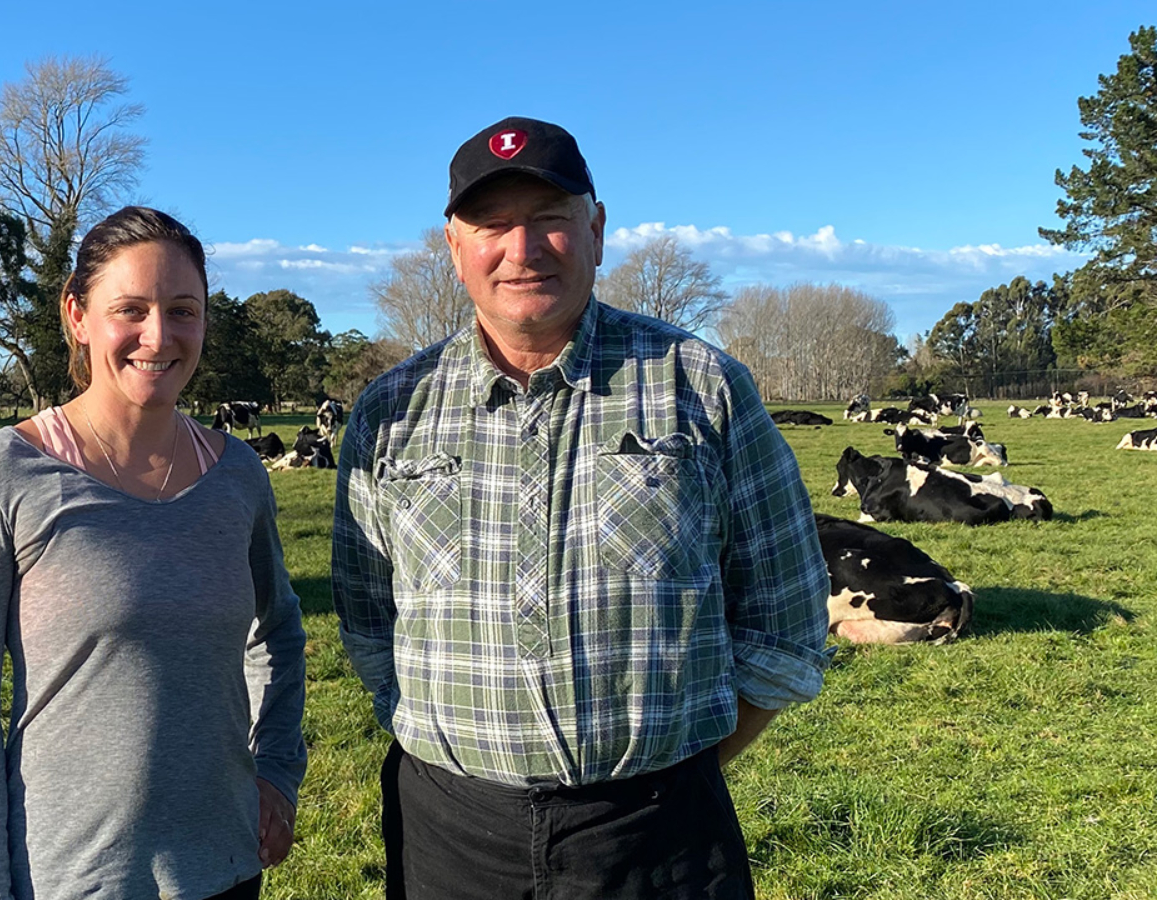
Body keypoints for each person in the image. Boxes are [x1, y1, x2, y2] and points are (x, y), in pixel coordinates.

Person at [332, 117, 830, 899]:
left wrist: (667, 762)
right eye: (492, 226)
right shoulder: (388, 412)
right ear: (454, 247)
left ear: (596, 230)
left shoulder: (701, 387)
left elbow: (786, 624)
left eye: (549, 221)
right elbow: (368, 625)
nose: (521, 251)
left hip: (659, 837)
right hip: (448, 833)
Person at [0, 207, 306, 900]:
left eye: (182, 311)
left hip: (225, 867)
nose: (158, 337)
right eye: (130, 309)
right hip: (69, 876)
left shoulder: (239, 476)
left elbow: (276, 630)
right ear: (77, 314)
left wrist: (277, 770)